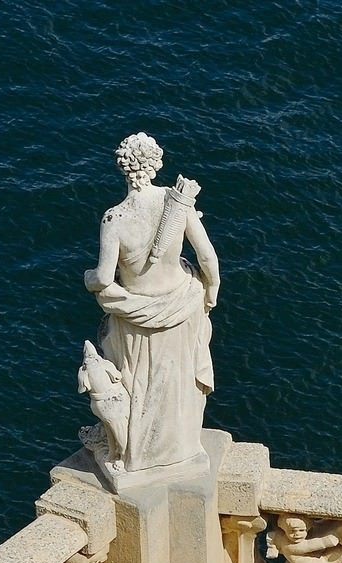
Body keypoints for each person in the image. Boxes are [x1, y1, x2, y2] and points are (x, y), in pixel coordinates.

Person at [83, 133, 220, 472]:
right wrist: (211, 292)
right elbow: (207, 257)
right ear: (156, 165)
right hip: (182, 305)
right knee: (179, 382)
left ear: (123, 168)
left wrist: (88, 278)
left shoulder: (114, 218)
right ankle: (181, 449)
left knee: (140, 382)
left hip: (136, 313)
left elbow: (103, 278)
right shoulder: (177, 203)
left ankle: (139, 455)